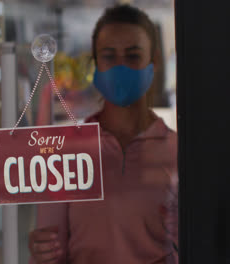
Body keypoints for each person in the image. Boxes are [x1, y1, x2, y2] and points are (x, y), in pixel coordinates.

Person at [28, 4, 178, 264]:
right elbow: (50, 250)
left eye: (132, 56)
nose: (121, 67)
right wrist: (42, 252)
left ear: (152, 64)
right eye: (109, 56)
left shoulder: (179, 151)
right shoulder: (66, 153)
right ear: (95, 66)